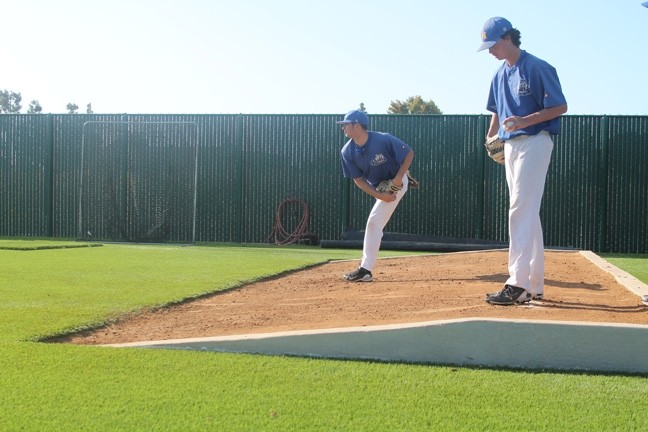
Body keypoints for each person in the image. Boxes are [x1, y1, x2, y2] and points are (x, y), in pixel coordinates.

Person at [478, 17, 568, 305]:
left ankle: (516, 284)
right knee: (528, 213)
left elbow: (560, 106)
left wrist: (523, 121)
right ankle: (534, 285)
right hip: (511, 145)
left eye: (493, 44)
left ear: (508, 38)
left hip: (535, 140)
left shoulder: (537, 66)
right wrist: (491, 136)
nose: (490, 50)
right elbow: (496, 110)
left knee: (519, 209)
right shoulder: (498, 74)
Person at [337, 110, 414, 282]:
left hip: (397, 182)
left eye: (346, 124)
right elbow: (358, 180)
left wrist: (399, 177)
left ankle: (365, 270)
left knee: (373, 222)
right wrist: (380, 195)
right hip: (380, 188)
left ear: (357, 125)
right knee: (375, 222)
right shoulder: (347, 152)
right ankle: (365, 269)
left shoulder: (382, 139)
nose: (343, 128)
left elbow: (409, 153)